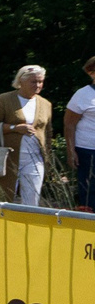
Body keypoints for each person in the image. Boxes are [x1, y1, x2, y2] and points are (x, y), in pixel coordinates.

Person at [0, 65, 52, 205]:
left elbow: (48, 132)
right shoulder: (4, 100)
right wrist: (14, 128)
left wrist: (47, 156)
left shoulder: (45, 104)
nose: (38, 85)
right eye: (33, 82)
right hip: (8, 159)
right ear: (21, 81)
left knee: (32, 200)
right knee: (3, 198)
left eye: (40, 81)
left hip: (35, 159)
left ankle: (29, 224)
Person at [67, 58, 95, 211]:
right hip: (88, 151)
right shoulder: (83, 94)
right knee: (89, 191)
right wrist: (71, 151)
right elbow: (69, 124)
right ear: (91, 73)